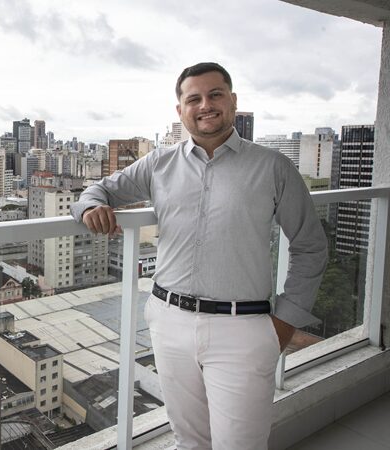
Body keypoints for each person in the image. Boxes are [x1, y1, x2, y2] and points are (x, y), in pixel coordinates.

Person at [71, 62, 328, 449]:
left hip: (243, 328)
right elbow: (98, 190)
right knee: (189, 441)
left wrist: (285, 322)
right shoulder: (159, 163)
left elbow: (310, 245)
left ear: (233, 101)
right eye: (194, 99)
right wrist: (91, 207)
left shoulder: (272, 166)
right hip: (168, 321)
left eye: (215, 95)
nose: (205, 105)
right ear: (180, 110)